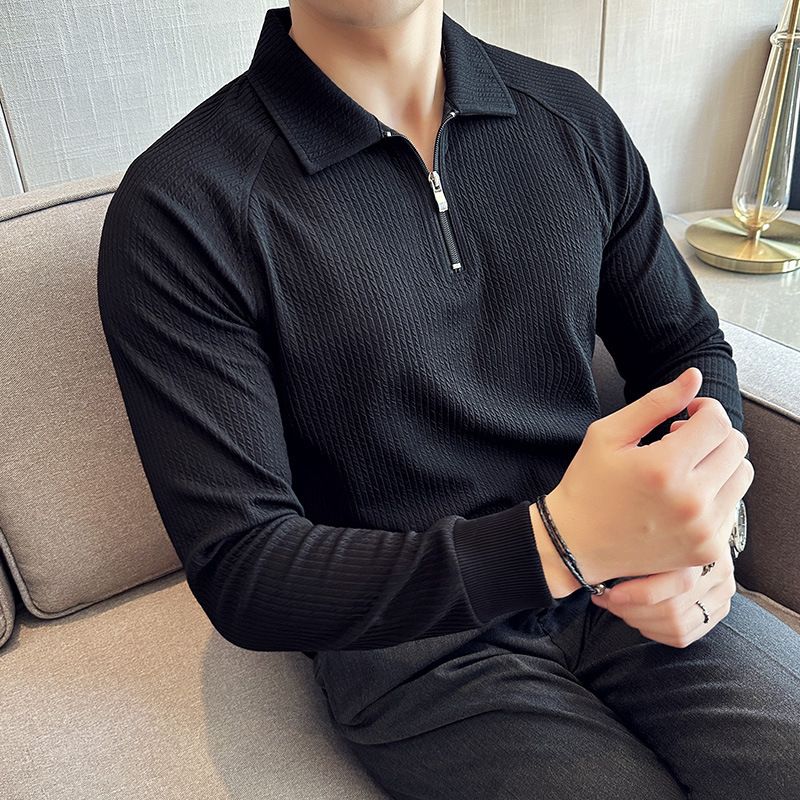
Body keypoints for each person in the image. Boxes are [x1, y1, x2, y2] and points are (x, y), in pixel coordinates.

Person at [96, 2, 800, 798]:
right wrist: (557, 543)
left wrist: (710, 536)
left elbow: (685, 349)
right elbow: (245, 569)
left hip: (630, 572)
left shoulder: (570, 116)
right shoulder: (181, 207)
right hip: (415, 643)